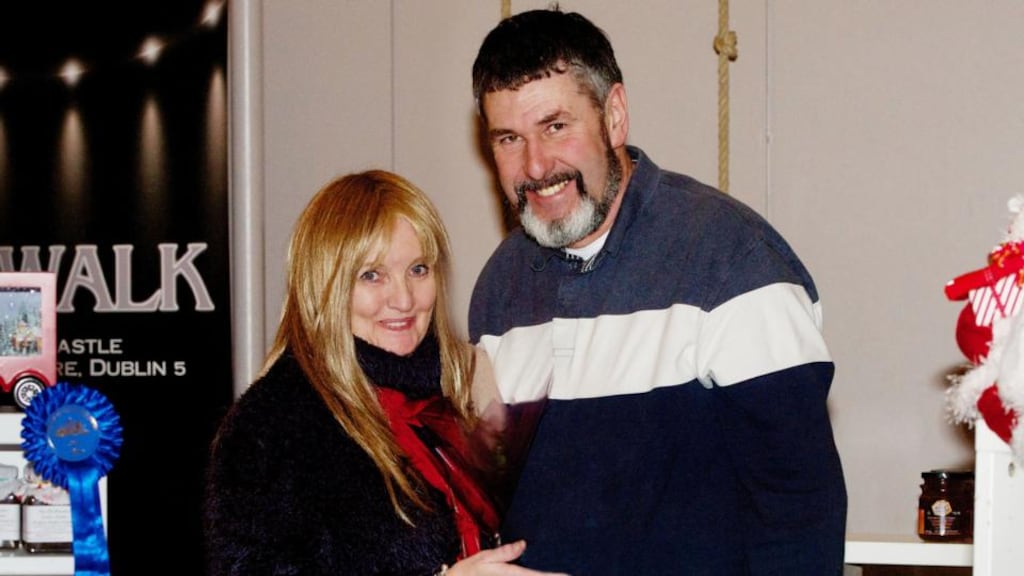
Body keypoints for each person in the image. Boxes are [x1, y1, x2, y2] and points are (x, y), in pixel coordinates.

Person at [468, 7, 848, 575]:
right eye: (508, 138)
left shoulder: (735, 262)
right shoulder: (499, 287)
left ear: (614, 116)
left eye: (556, 126)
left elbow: (799, 515)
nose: (536, 165)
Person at [203, 170, 567, 576]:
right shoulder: (271, 426)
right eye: (371, 275)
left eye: (418, 269)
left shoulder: (465, 382)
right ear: (323, 285)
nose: (403, 299)